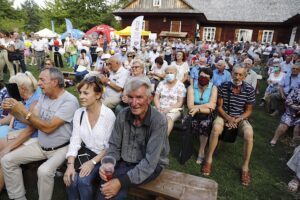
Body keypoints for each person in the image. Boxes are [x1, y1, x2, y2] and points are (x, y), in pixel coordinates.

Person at [1, 67, 79, 200]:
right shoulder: (44, 96)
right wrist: (13, 111)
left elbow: (48, 128)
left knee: (43, 171)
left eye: (42, 80)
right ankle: (18, 197)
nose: (38, 83)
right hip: (41, 145)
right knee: (7, 160)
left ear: (54, 82)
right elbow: (32, 121)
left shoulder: (69, 101)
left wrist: (23, 110)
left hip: (60, 148)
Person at [96, 76, 169, 200]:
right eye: (130, 97)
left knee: (112, 192)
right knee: (104, 190)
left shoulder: (159, 121)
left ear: (149, 99)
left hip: (151, 166)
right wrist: (109, 163)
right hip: (125, 161)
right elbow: (114, 145)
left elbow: (150, 163)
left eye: (139, 97)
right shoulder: (122, 114)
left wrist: (120, 182)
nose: (134, 103)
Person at [202, 65, 255, 187]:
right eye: (235, 74)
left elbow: (249, 110)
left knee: (249, 133)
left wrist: (238, 119)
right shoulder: (223, 86)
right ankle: (208, 160)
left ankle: (245, 167)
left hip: (240, 118)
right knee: (216, 128)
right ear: (231, 73)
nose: (237, 76)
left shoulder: (249, 89)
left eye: (240, 74)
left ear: (245, 76)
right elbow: (219, 107)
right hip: (224, 115)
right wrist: (228, 118)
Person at [64, 76, 116, 200]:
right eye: (80, 92)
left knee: (83, 181)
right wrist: (70, 164)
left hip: (101, 158)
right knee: (71, 178)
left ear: (98, 95)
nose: (81, 96)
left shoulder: (109, 115)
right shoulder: (79, 113)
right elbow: (75, 139)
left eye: (86, 93)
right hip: (85, 153)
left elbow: (110, 146)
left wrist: (92, 163)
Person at [0, 72, 40, 192]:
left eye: (13, 88)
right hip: (17, 132)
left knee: (4, 157)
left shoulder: (35, 101)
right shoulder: (23, 99)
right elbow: (16, 117)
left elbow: (31, 128)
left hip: (29, 136)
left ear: (22, 88)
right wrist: (9, 112)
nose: (11, 91)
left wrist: (9, 147)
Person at [187, 68, 217, 164]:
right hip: (193, 113)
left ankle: (201, 150)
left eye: (206, 77)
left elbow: (212, 106)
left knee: (205, 124)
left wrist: (198, 108)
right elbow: (190, 106)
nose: (203, 78)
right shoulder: (191, 87)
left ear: (210, 79)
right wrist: (201, 107)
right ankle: (186, 147)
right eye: (201, 76)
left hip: (207, 113)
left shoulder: (213, 88)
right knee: (188, 122)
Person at [154, 66, 186, 135]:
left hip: (174, 109)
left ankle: (163, 141)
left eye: (171, 73)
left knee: (169, 118)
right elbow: (156, 97)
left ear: (176, 74)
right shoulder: (161, 83)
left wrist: (168, 109)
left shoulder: (180, 85)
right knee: (152, 116)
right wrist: (159, 107)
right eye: (167, 73)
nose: (169, 74)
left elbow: (180, 102)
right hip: (160, 107)